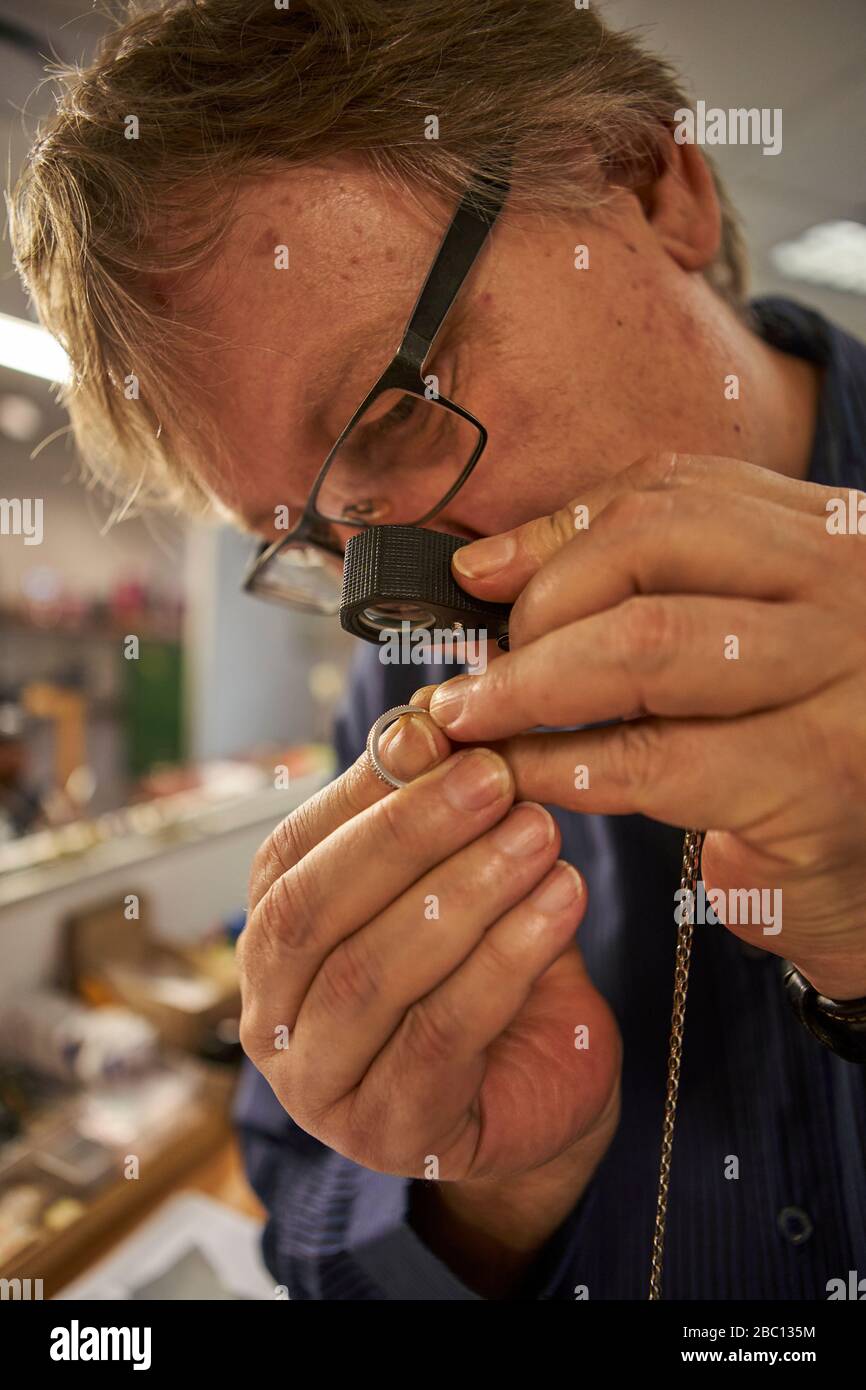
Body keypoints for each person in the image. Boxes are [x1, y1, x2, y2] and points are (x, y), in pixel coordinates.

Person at [11, 1, 866, 1300]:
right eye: (311, 534)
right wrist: (484, 1188)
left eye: (396, 406)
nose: (403, 580)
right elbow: (298, 1177)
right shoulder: (415, 669)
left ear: (650, 179)